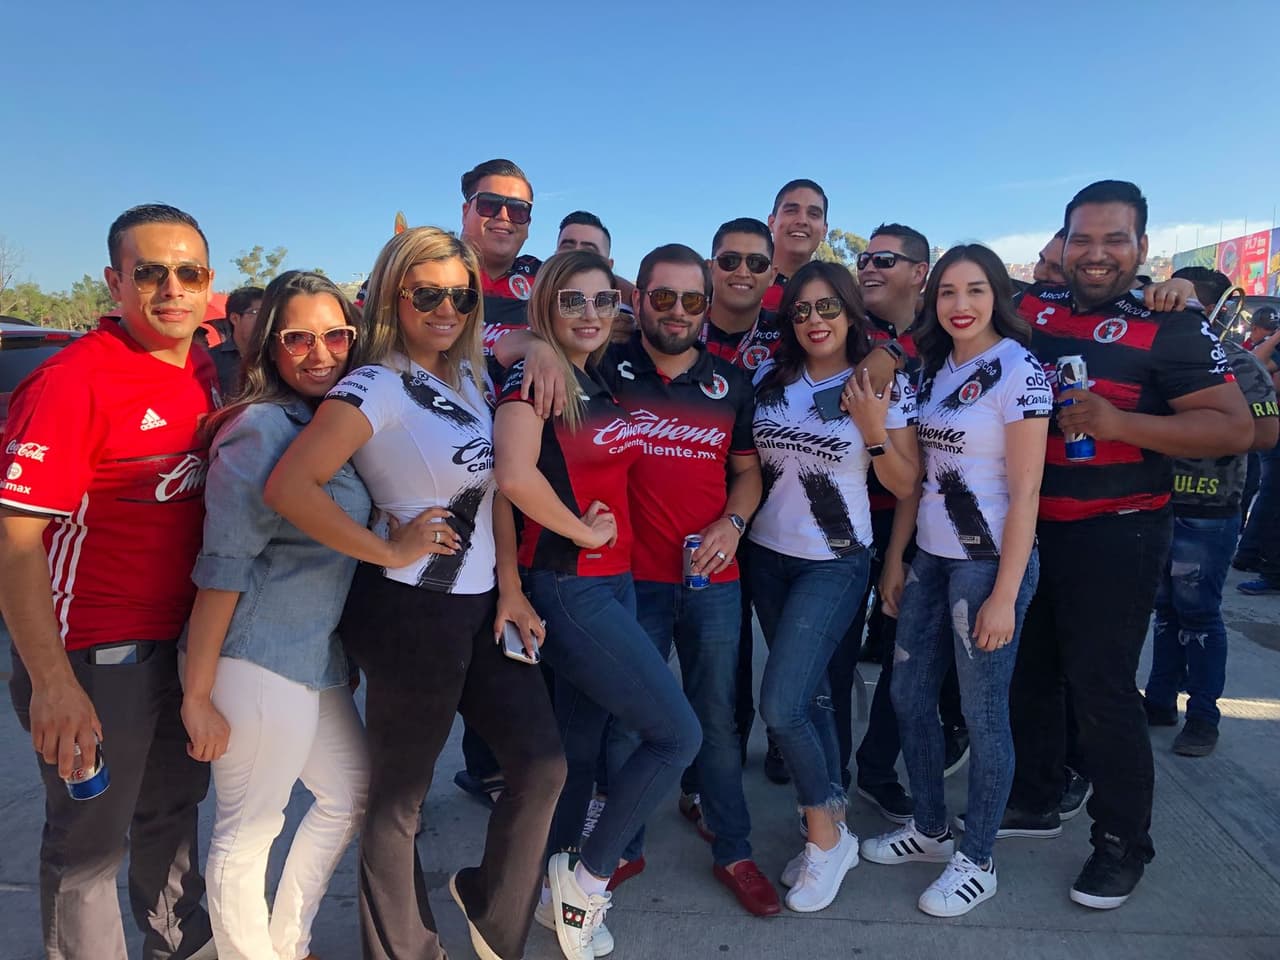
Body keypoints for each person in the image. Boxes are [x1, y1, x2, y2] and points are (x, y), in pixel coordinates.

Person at [264, 226, 565, 960]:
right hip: (410, 609)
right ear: (391, 296)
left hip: (482, 604)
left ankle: (492, 913)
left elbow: (494, 490)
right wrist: (385, 547)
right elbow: (288, 486)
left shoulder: (468, 378)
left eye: (462, 296)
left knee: (541, 765)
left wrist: (511, 588)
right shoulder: (374, 385)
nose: (447, 309)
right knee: (399, 802)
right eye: (427, 295)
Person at [1004, 181, 1251, 910]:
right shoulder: (1030, 308)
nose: (1097, 253)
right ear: (1061, 244)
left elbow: (1235, 427)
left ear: (1142, 246)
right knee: (1029, 671)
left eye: (1115, 239)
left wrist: (1119, 425)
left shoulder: (1171, 323)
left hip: (1120, 528)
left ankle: (1122, 842)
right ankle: (1037, 796)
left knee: (1101, 687)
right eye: (1082, 238)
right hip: (1030, 527)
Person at [0, 203, 219, 960]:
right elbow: (14, 543)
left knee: (173, 815)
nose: (172, 289)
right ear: (115, 282)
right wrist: (52, 684)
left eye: (188, 272)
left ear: (208, 282)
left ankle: (181, 946)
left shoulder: (201, 368)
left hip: (180, 648)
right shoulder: (73, 381)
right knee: (90, 846)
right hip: (97, 657)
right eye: (150, 272)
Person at [495, 248, 705, 959]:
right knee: (676, 736)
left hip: (614, 580)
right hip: (569, 583)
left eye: (601, 300)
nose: (589, 313)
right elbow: (512, 478)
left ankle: (549, 889)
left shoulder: (595, 375)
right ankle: (587, 881)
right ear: (546, 307)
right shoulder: (536, 379)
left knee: (579, 748)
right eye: (572, 301)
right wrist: (579, 534)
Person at [181, 271, 374, 959]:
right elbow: (222, 568)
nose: (320, 354)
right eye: (298, 338)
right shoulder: (262, 428)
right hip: (254, 655)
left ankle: (286, 942)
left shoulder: (328, 423)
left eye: (335, 336)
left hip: (312, 658)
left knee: (350, 793)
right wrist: (198, 695)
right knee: (248, 828)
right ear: (269, 346)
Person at [861, 245, 1050, 918]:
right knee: (908, 696)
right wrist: (898, 560)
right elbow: (917, 479)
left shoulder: (1020, 370)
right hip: (933, 560)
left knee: (983, 714)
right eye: (947, 292)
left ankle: (978, 859)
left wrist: (1005, 594)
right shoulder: (935, 369)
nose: (960, 304)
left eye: (975, 290)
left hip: (987, 564)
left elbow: (1027, 493)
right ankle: (930, 829)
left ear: (998, 296)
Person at [750, 261, 919, 913]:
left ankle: (825, 835)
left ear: (851, 312)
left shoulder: (878, 382)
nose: (814, 320)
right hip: (768, 556)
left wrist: (873, 431)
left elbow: (906, 484)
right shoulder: (771, 380)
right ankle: (833, 822)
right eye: (801, 310)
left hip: (835, 561)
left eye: (827, 308)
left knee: (781, 704)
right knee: (814, 699)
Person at [843, 223, 969, 824]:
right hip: (841, 518)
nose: (868, 267)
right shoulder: (848, 328)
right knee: (835, 655)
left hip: (918, 521)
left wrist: (1174, 290)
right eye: (865, 258)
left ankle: (876, 770)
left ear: (921, 272)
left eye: (884, 260)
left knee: (905, 658)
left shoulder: (951, 334)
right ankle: (820, 765)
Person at [1144, 268, 1278, 756]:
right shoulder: (1154, 357)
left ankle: (1203, 717)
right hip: (1156, 505)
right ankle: (1159, 700)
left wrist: (1201, 419)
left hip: (1209, 510)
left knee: (1199, 615)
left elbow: (1266, 435)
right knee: (1163, 612)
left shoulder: (1240, 364)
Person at [762, 179, 828, 313]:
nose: (802, 221)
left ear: (824, 230)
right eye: (791, 211)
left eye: (813, 214)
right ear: (772, 223)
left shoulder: (835, 294)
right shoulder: (741, 282)